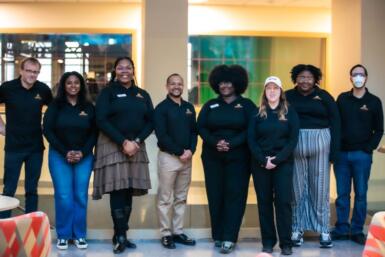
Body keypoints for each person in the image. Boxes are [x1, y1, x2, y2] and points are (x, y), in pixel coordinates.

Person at [92, 56, 153, 254]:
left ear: (133, 70)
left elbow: (151, 121)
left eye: (128, 67)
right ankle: (120, 235)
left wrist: (136, 141)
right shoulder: (107, 93)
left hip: (136, 146)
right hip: (112, 145)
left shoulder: (142, 94)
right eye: (120, 68)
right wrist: (123, 141)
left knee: (128, 191)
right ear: (115, 71)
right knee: (118, 190)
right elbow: (101, 119)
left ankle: (121, 233)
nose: (124, 71)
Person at [197, 64, 256, 254]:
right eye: (222, 82)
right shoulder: (210, 105)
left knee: (235, 196)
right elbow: (201, 127)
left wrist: (231, 143)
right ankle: (219, 235)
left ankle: (230, 237)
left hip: (239, 156)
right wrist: (216, 142)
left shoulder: (246, 105)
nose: (225, 85)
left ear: (237, 83)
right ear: (216, 84)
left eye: (229, 82)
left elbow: (252, 129)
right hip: (212, 156)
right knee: (215, 195)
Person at [285, 64, 340, 248]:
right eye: (301, 77)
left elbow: (336, 123)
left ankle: (324, 230)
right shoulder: (288, 96)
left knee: (320, 189)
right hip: (296, 143)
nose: (305, 80)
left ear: (315, 79)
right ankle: (296, 229)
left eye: (309, 77)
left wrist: (334, 151)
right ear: (295, 78)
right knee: (297, 188)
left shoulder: (324, 96)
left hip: (321, 143)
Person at [43, 71, 97, 250]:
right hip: (60, 156)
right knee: (64, 195)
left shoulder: (88, 107)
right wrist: (66, 151)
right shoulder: (55, 106)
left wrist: (83, 152)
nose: (73, 86)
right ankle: (64, 235)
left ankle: (80, 234)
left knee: (80, 196)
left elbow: (94, 132)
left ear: (81, 85)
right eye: (69, 83)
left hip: (84, 156)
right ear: (63, 86)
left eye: (76, 83)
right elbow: (48, 130)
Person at [332, 64, 383, 245]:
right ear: (350, 78)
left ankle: (357, 230)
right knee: (342, 194)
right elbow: (335, 126)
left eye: (361, 74)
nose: (358, 77)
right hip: (342, 156)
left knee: (361, 194)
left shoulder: (374, 102)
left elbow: (379, 130)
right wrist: (335, 150)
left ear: (366, 78)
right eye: (355, 74)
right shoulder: (342, 99)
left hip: (362, 155)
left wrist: (368, 148)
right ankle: (341, 228)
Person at [248, 76, 299, 255]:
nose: (272, 91)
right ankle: (268, 242)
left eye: (275, 88)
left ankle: (286, 243)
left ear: (281, 91)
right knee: (264, 203)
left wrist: (276, 160)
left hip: (283, 164)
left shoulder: (290, 112)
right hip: (261, 164)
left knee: (283, 203)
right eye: (268, 88)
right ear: (264, 92)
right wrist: (264, 160)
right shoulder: (256, 113)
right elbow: (251, 140)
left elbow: (293, 140)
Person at [0, 57, 52, 218]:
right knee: (9, 189)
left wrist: (47, 125)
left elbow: (55, 109)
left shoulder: (42, 89)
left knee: (32, 189)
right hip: (14, 147)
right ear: (21, 71)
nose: (32, 75)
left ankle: (31, 226)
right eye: (29, 71)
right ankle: (3, 228)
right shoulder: (8, 88)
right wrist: (2, 127)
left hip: (35, 148)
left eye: (35, 72)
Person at [154, 73, 198, 249]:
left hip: (186, 158)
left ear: (183, 86)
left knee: (181, 197)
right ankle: (165, 233)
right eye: (173, 84)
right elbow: (162, 136)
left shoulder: (188, 107)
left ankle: (178, 231)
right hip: (168, 158)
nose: (176, 87)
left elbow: (194, 132)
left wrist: (191, 151)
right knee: (165, 198)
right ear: (167, 86)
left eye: (179, 84)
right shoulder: (161, 108)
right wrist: (180, 151)